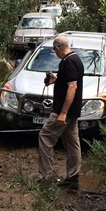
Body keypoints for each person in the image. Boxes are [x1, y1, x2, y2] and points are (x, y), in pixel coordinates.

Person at [37, 34, 84, 190]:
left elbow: (72, 87)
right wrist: (55, 80)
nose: (55, 53)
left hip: (63, 112)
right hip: (74, 112)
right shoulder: (75, 59)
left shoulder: (68, 62)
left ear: (57, 48)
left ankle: (46, 177)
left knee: (45, 138)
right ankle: (72, 178)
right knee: (72, 143)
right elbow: (69, 81)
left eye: (54, 50)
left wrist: (63, 113)